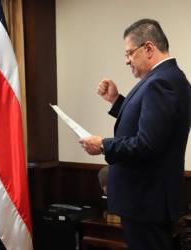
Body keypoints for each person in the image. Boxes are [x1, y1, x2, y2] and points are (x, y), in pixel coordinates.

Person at [79, 19, 191, 250]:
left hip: (146, 202)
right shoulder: (167, 78)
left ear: (148, 48)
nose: (127, 60)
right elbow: (154, 125)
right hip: (147, 202)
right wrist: (116, 100)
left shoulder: (160, 82)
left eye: (129, 53)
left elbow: (148, 144)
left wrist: (103, 145)